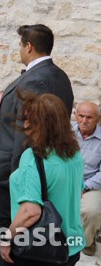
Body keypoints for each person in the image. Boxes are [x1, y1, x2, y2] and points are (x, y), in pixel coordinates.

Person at [0, 24, 74, 264]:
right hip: (38, 167)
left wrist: (19, 180)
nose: (19, 49)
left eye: (20, 45)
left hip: (13, 173)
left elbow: (25, 136)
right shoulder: (59, 76)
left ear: (28, 46)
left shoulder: (34, 82)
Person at [0, 91, 85, 266]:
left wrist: (7, 238)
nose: (24, 123)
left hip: (41, 248)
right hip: (71, 245)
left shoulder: (33, 158)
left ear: (39, 124)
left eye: (28, 119)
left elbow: (30, 212)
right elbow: (79, 190)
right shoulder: (75, 154)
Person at [72, 101, 101, 256]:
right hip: (66, 181)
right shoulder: (65, 132)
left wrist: (84, 186)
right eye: (81, 116)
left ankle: (86, 242)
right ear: (75, 115)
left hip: (92, 184)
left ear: (98, 119)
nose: (84, 121)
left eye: (89, 117)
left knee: (92, 211)